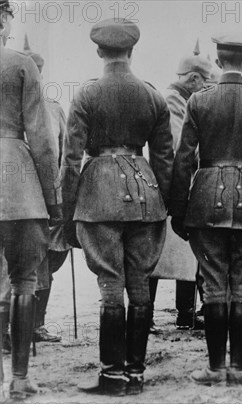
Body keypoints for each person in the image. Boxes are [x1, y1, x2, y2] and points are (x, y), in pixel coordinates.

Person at [169, 32, 242, 386]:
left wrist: (178, 209)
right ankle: (239, 366)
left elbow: (182, 159)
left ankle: (214, 366)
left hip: (206, 202)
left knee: (213, 287)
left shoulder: (198, 101)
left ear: (219, 62)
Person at [62, 18, 174, 396]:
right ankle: (136, 374)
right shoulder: (153, 96)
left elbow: (70, 159)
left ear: (99, 51)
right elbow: (165, 159)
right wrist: (168, 204)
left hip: (99, 196)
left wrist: (66, 210)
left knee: (111, 284)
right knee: (140, 283)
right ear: (132, 50)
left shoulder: (86, 95)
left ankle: (112, 376)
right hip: (146, 197)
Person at [0, 1, 63, 399]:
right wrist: (53, 200)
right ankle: (19, 379)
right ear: (3, 17)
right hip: (18, 185)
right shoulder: (21, 64)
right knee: (24, 279)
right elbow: (41, 137)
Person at [149, 40, 214, 331]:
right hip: (167, 188)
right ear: (193, 78)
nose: (209, 86)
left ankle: (186, 314)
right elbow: (177, 147)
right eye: (206, 80)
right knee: (157, 254)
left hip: (179, 186)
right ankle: (148, 314)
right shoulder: (172, 101)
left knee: (185, 252)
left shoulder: (185, 100)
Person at [23, 34, 71, 344]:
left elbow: (66, 152)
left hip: (50, 194)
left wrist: (64, 193)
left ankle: (36, 322)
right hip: (18, 196)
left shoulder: (54, 109)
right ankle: (20, 326)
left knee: (53, 255)